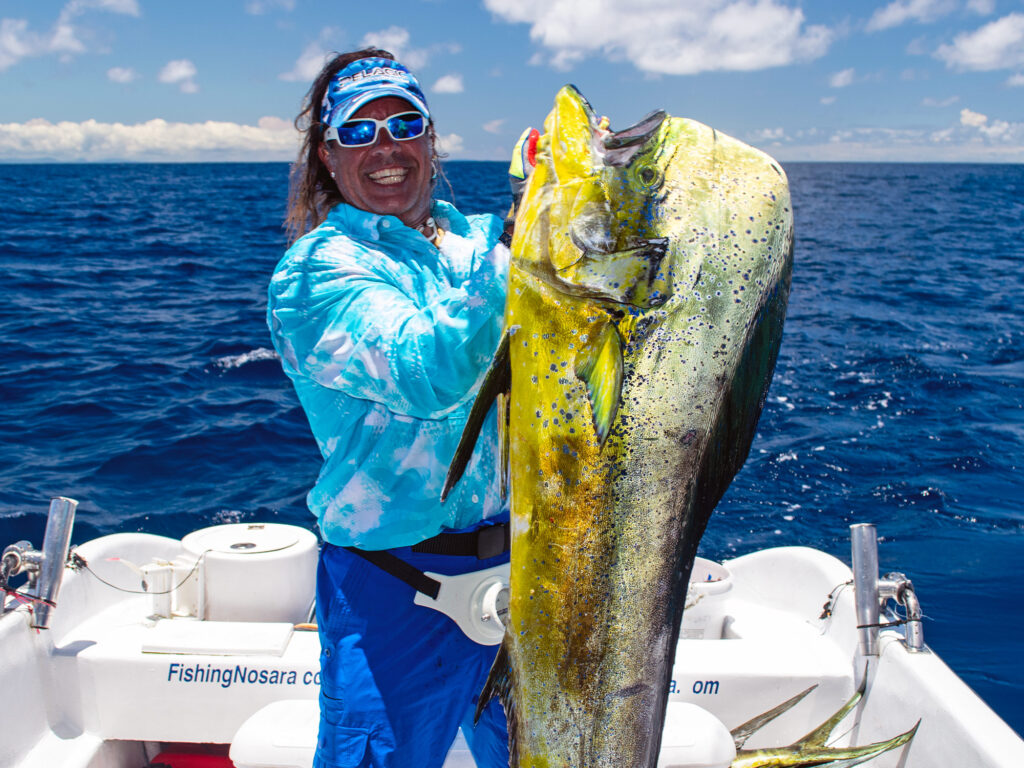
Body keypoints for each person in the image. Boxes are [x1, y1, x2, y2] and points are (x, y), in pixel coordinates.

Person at [267, 48, 511, 768]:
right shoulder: (315, 271)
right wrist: (535, 253)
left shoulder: (480, 242)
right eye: (358, 130)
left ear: (432, 143)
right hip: (393, 591)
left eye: (405, 123)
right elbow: (427, 370)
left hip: (524, 574)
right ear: (328, 155)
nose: (386, 146)